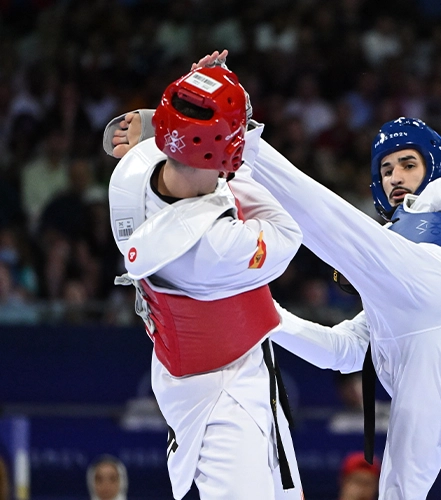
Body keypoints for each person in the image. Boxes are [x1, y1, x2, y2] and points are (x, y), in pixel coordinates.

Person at [107, 50, 441, 499]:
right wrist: (263, 319)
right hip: (428, 367)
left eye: (407, 164)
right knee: (399, 492)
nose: (397, 178)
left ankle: (222, 133)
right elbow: (342, 351)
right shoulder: (384, 264)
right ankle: (211, 136)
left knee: (332, 225)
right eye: (386, 170)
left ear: (432, 166)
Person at [105, 65, 304, 498]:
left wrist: (197, 110)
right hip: (220, 392)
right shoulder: (212, 247)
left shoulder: (132, 173)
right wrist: (243, 149)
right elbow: (289, 234)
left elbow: (174, 146)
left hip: (220, 359)